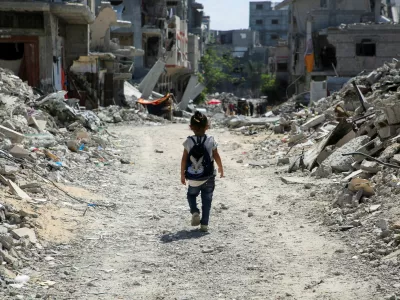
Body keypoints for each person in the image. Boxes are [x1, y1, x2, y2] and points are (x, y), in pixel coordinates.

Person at [181, 112, 224, 232]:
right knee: (207, 200)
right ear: (207, 126)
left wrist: (182, 175)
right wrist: (221, 168)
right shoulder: (211, 140)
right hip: (209, 176)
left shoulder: (188, 141)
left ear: (191, 127)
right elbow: (216, 155)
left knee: (191, 195)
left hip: (193, 178)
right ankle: (204, 224)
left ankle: (194, 211)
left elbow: (184, 159)